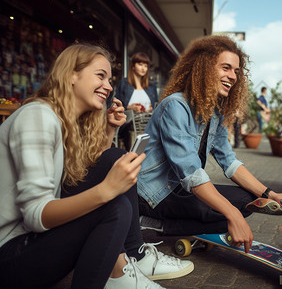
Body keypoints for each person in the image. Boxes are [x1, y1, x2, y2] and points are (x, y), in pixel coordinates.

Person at [0, 43, 193, 289]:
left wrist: (110, 128)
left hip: (31, 242)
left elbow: (83, 172)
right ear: (71, 74)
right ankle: (118, 273)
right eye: (100, 76)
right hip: (10, 255)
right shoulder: (38, 116)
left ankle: (126, 262)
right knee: (114, 206)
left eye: (110, 79)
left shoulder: (63, 121)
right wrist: (106, 191)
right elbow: (36, 216)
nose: (109, 86)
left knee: (115, 159)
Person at [137, 35, 282, 253]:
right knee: (230, 215)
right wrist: (232, 215)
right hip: (154, 194)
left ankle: (183, 225)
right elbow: (192, 174)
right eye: (226, 68)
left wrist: (270, 194)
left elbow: (229, 162)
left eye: (236, 71)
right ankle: (155, 222)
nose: (233, 76)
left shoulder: (213, 113)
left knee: (247, 200)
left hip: (180, 187)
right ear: (205, 68)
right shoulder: (175, 106)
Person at [115, 52, 158, 150]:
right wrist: (129, 107)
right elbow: (116, 106)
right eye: (140, 64)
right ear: (133, 66)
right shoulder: (124, 84)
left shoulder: (151, 87)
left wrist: (151, 109)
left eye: (146, 66)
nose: (143, 68)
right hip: (130, 127)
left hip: (147, 126)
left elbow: (156, 107)